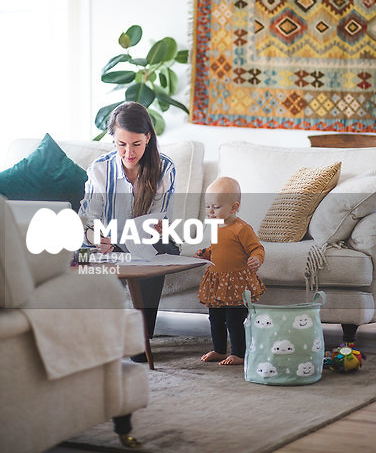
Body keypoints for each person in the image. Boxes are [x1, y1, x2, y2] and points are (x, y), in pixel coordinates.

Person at [78, 101, 179, 360]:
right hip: (108, 244)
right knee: (76, 255)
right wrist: (95, 237)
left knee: (161, 248)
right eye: (121, 144)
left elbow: (158, 220)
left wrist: (153, 229)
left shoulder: (165, 168)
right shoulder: (100, 168)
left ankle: (139, 338)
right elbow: (88, 218)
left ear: (148, 138)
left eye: (136, 144)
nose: (129, 153)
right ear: (113, 139)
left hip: (147, 243)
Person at [195, 176, 266, 365]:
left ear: (234, 207)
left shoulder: (241, 229)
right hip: (217, 282)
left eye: (216, 207)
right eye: (207, 206)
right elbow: (217, 248)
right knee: (215, 318)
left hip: (236, 284)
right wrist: (206, 253)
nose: (210, 211)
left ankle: (239, 353)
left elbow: (257, 248)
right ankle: (219, 350)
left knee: (234, 320)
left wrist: (257, 258)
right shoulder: (216, 225)